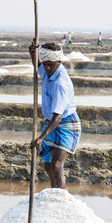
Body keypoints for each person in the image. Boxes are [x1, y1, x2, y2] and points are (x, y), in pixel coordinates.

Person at [29, 41, 81, 189]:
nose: (47, 68)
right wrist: (32, 54)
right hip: (52, 121)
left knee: (57, 164)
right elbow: (39, 67)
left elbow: (58, 117)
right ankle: (54, 192)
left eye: (50, 64)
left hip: (65, 123)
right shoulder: (48, 69)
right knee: (48, 165)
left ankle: (60, 198)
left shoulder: (60, 84)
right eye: (45, 64)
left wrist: (40, 138)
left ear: (59, 61)